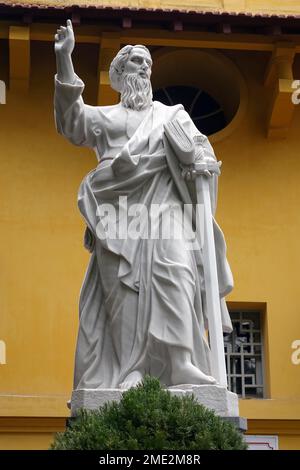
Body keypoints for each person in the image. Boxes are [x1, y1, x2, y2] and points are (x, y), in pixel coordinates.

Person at [54, 20, 234, 390]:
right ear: (119, 74)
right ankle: (129, 370)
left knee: (178, 271)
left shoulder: (172, 115)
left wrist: (202, 161)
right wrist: (64, 60)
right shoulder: (104, 118)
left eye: (148, 64)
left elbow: (200, 149)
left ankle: (180, 362)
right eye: (136, 62)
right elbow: (72, 122)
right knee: (121, 293)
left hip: (165, 210)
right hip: (116, 212)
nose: (145, 68)